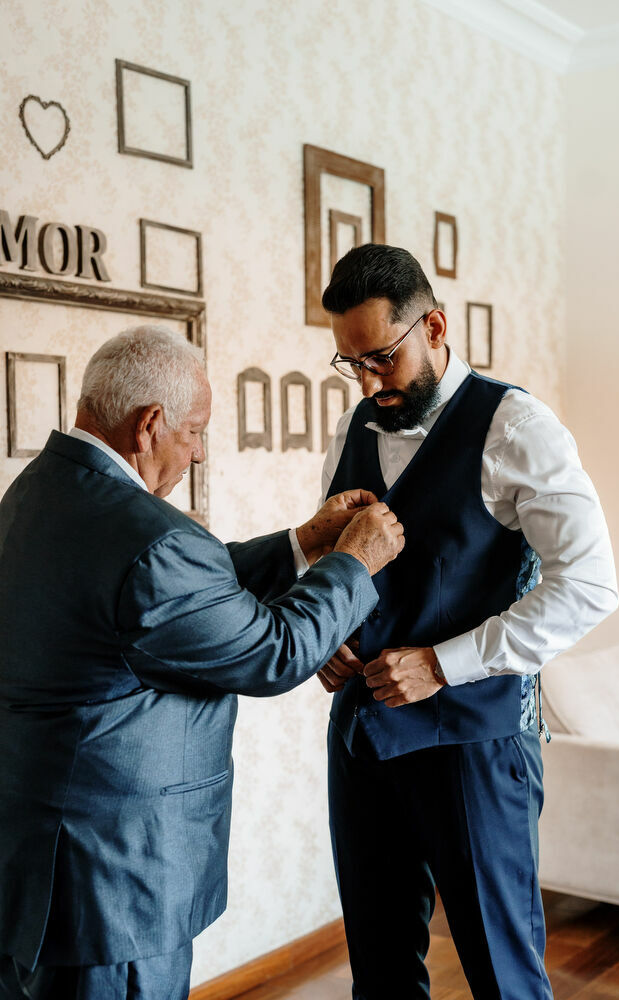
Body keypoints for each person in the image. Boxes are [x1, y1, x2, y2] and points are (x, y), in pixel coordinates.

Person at [0, 325, 404, 1000]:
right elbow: (272, 654)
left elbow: (165, 600)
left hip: (36, 865)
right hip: (113, 892)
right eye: (194, 432)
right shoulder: (151, 539)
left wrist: (300, 543)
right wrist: (352, 563)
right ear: (149, 424)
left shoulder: (34, 495)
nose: (195, 452)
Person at [313, 244, 618, 1000]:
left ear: (436, 327)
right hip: (363, 737)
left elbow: (589, 584)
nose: (369, 382)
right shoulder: (354, 427)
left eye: (381, 358)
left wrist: (444, 663)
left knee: (503, 978)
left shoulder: (516, 426)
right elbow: (339, 561)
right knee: (380, 975)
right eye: (351, 364)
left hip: (475, 745)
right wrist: (326, 636)